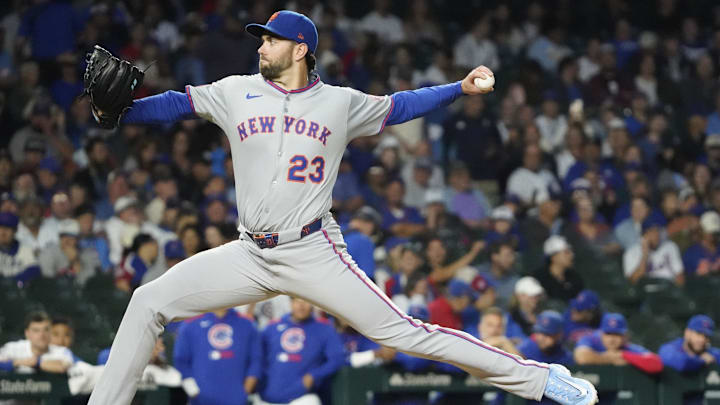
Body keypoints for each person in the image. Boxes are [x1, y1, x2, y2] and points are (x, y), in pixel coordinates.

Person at [85, 11, 597, 405]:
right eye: (260, 38)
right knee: (148, 302)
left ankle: (540, 379)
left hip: (313, 250)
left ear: (300, 48)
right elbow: (176, 104)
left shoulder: (340, 102)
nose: (261, 45)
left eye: (270, 38)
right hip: (249, 253)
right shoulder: (234, 91)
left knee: (407, 333)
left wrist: (458, 89)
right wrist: (121, 114)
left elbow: (401, 105)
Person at [258, 298, 344, 405]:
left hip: (302, 398)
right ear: (291, 302)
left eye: (306, 301)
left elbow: (338, 359)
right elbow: (256, 358)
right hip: (267, 397)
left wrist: (314, 376)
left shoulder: (324, 328)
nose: (301, 306)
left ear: (313, 304)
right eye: (297, 301)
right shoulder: (272, 327)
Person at [173, 308, 261, 405]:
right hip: (200, 399)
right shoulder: (190, 323)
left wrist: (244, 392)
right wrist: (194, 392)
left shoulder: (247, 324)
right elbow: (181, 361)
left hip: (236, 398)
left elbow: (256, 361)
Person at [574, 313, 663, 374]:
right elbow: (582, 357)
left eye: (617, 334)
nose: (612, 339)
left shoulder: (628, 348)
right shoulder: (591, 340)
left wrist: (623, 355)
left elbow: (656, 364)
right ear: (601, 333)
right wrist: (611, 358)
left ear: (625, 336)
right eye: (608, 334)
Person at [0, 311, 75, 374]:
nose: (42, 335)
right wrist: (17, 362)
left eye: (46, 330)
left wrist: (37, 363)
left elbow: (64, 367)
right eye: (36, 330)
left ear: (50, 332)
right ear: (27, 333)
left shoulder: (62, 351)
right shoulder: (13, 348)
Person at [623, 218, 684, 285]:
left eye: (657, 231)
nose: (656, 235)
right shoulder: (631, 253)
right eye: (652, 232)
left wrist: (678, 291)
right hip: (645, 291)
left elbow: (680, 276)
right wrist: (645, 256)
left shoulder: (670, 246)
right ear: (644, 235)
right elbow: (632, 281)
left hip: (668, 289)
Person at [534, 235, 584, 301]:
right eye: (566, 252)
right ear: (553, 257)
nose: (572, 255)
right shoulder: (538, 278)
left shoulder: (575, 278)